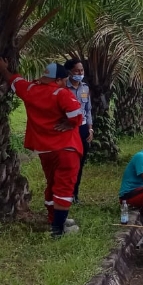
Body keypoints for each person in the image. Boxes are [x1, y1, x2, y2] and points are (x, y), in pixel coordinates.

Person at [0, 59, 83, 238]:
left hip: (45, 149)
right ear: (57, 80)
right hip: (66, 148)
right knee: (64, 187)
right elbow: (76, 114)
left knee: (52, 184)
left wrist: (3, 69)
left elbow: (14, 80)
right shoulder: (62, 93)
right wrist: (69, 123)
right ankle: (58, 230)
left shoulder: (30, 90)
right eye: (64, 80)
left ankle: (54, 219)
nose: (66, 83)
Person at [64, 59, 93, 203]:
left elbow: (88, 110)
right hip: (68, 130)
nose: (80, 73)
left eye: (82, 70)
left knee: (80, 163)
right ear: (69, 71)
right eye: (77, 71)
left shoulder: (85, 88)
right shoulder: (63, 88)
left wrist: (90, 129)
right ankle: (66, 194)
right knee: (69, 162)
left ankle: (75, 194)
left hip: (82, 129)